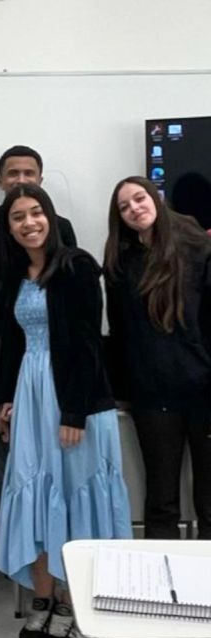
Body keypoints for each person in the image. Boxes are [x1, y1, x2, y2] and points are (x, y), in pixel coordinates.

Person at [0, 183, 131, 638]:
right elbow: (12, 342)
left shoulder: (77, 266)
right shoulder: (15, 273)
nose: (28, 223)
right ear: (9, 227)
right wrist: (5, 400)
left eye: (35, 212)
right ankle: (42, 597)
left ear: (49, 217)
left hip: (76, 398)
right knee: (36, 492)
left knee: (74, 497)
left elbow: (89, 342)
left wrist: (74, 411)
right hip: (31, 395)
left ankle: (72, 604)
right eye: (18, 216)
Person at [104, 176, 211, 539]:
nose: (134, 208)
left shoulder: (198, 247)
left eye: (139, 198)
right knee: (161, 500)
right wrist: (121, 388)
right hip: (152, 394)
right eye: (124, 207)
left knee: (209, 499)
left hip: (204, 388)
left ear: (156, 198)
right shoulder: (120, 262)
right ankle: (159, 575)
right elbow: (119, 330)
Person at [0, 145, 77, 248]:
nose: (21, 180)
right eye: (13, 173)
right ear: (0, 182)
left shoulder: (61, 227)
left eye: (28, 173)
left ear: (40, 181)